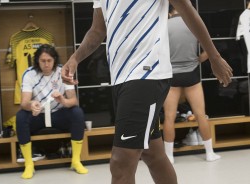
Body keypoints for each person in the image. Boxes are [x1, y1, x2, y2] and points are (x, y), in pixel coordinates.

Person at [62, 0, 233, 183]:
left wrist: (214, 56)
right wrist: (75, 58)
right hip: (121, 79)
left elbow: (186, 8)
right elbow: (97, 30)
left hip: (147, 73)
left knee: (120, 161)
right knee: (153, 154)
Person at [16, 44, 88, 179]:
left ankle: (76, 161)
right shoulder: (29, 74)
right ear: (37, 60)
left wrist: (63, 101)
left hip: (58, 113)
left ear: (54, 60)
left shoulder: (63, 71)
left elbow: (74, 101)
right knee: (21, 116)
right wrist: (32, 104)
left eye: (49, 60)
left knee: (77, 113)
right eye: (43, 61)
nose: (46, 64)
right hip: (38, 114)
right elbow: (24, 103)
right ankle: (29, 164)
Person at [163, 5, 221, 164]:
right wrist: (197, 60)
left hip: (172, 76)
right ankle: (210, 153)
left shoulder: (164, 25)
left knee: (169, 117)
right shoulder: (194, 23)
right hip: (192, 74)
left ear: (169, 12)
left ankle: (169, 156)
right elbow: (209, 50)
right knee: (201, 115)